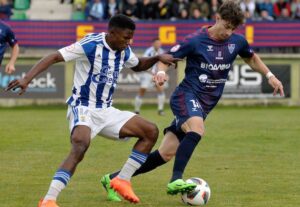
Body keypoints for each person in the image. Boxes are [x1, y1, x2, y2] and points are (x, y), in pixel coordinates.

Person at [100, 0, 285, 202]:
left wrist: (270, 76)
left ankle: (113, 178)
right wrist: (161, 72)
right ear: (218, 18)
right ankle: (176, 180)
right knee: (197, 129)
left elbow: (251, 58)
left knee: (165, 154)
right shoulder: (195, 41)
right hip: (186, 96)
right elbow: (166, 57)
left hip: (205, 105)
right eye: (226, 26)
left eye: (233, 28)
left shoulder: (237, 42)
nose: (229, 32)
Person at [5, 14, 180, 207]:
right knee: (80, 145)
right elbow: (54, 56)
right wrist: (27, 78)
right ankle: (48, 200)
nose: (129, 41)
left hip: (106, 110)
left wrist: (156, 58)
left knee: (150, 131)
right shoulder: (90, 44)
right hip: (83, 107)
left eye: (131, 37)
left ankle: (122, 179)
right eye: (125, 37)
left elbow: (138, 65)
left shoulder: (123, 49)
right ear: (112, 33)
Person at [134, 38, 166, 115]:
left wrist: (162, 73)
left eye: (159, 43)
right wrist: (151, 72)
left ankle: (160, 110)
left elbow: (164, 64)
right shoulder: (148, 52)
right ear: (153, 44)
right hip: (147, 73)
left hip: (156, 74)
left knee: (161, 89)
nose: (158, 45)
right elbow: (144, 63)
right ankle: (136, 110)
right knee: (142, 90)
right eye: (156, 43)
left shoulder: (162, 52)